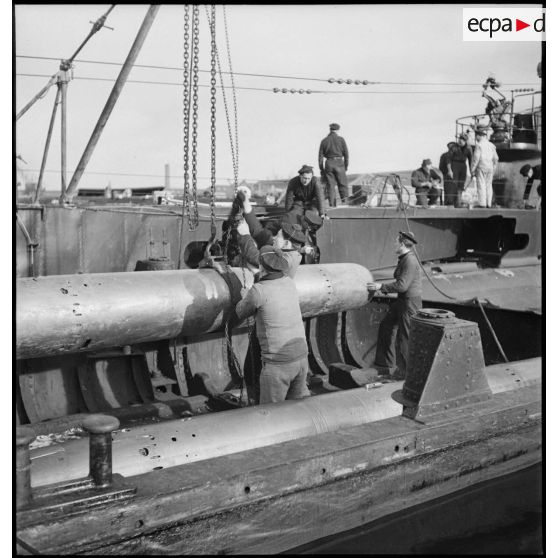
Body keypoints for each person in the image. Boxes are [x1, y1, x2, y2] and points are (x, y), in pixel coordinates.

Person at [234, 245, 310, 404]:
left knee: (272, 417)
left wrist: (244, 295)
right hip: (302, 359)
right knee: (300, 410)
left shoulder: (259, 291)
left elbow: (240, 312)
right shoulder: (289, 282)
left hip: (278, 366)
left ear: (261, 265)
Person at [367, 231, 422, 381]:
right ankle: (385, 365)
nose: (394, 244)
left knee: (405, 338)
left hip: (409, 303)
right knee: (386, 326)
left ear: (402, 244)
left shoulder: (410, 261)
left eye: (396, 241)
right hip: (401, 301)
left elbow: (402, 286)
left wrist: (381, 286)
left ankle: (406, 374)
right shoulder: (404, 258)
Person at [318, 123, 349, 206]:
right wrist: (345, 166)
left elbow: (320, 157)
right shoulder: (341, 139)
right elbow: (346, 154)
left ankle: (332, 206)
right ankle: (345, 204)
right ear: (337, 130)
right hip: (339, 163)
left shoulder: (324, 141)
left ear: (330, 130)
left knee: (330, 186)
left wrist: (321, 169)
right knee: (342, 184)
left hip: (329, 163)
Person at [470, 128, 499, 208]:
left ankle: (482, 204)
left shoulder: (479, 145)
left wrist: (472, 170)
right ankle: (489, 203)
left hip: (481, 166)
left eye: (477, 136)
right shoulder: (492, 145)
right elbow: (496, 158)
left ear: (480, 136)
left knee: (481, 185)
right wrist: (494, 168)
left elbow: (476, 159)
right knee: (489, 185)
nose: (476, 138)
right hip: (490, 167)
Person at [448, 134, 473, 208]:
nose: (460, 141)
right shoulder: (454, 147)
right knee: (454, 183)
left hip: (463, 166)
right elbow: (448, 159)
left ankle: (458, 202)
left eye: (462, 140)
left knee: (461, 184)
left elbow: (470, 160)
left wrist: (472, 172)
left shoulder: (469, 148)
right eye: (460, 139)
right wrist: (450, 170)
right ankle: (453, 202)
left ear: (466, 141)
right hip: (454, 164)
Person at [439, 142, 457, 206]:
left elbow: (440, 167)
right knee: (450, 192)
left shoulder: (444, 155)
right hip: (449, 176)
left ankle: (451, 204)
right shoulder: (447, 155)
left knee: (451, 192)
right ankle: (451, 204)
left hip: (449, 176)